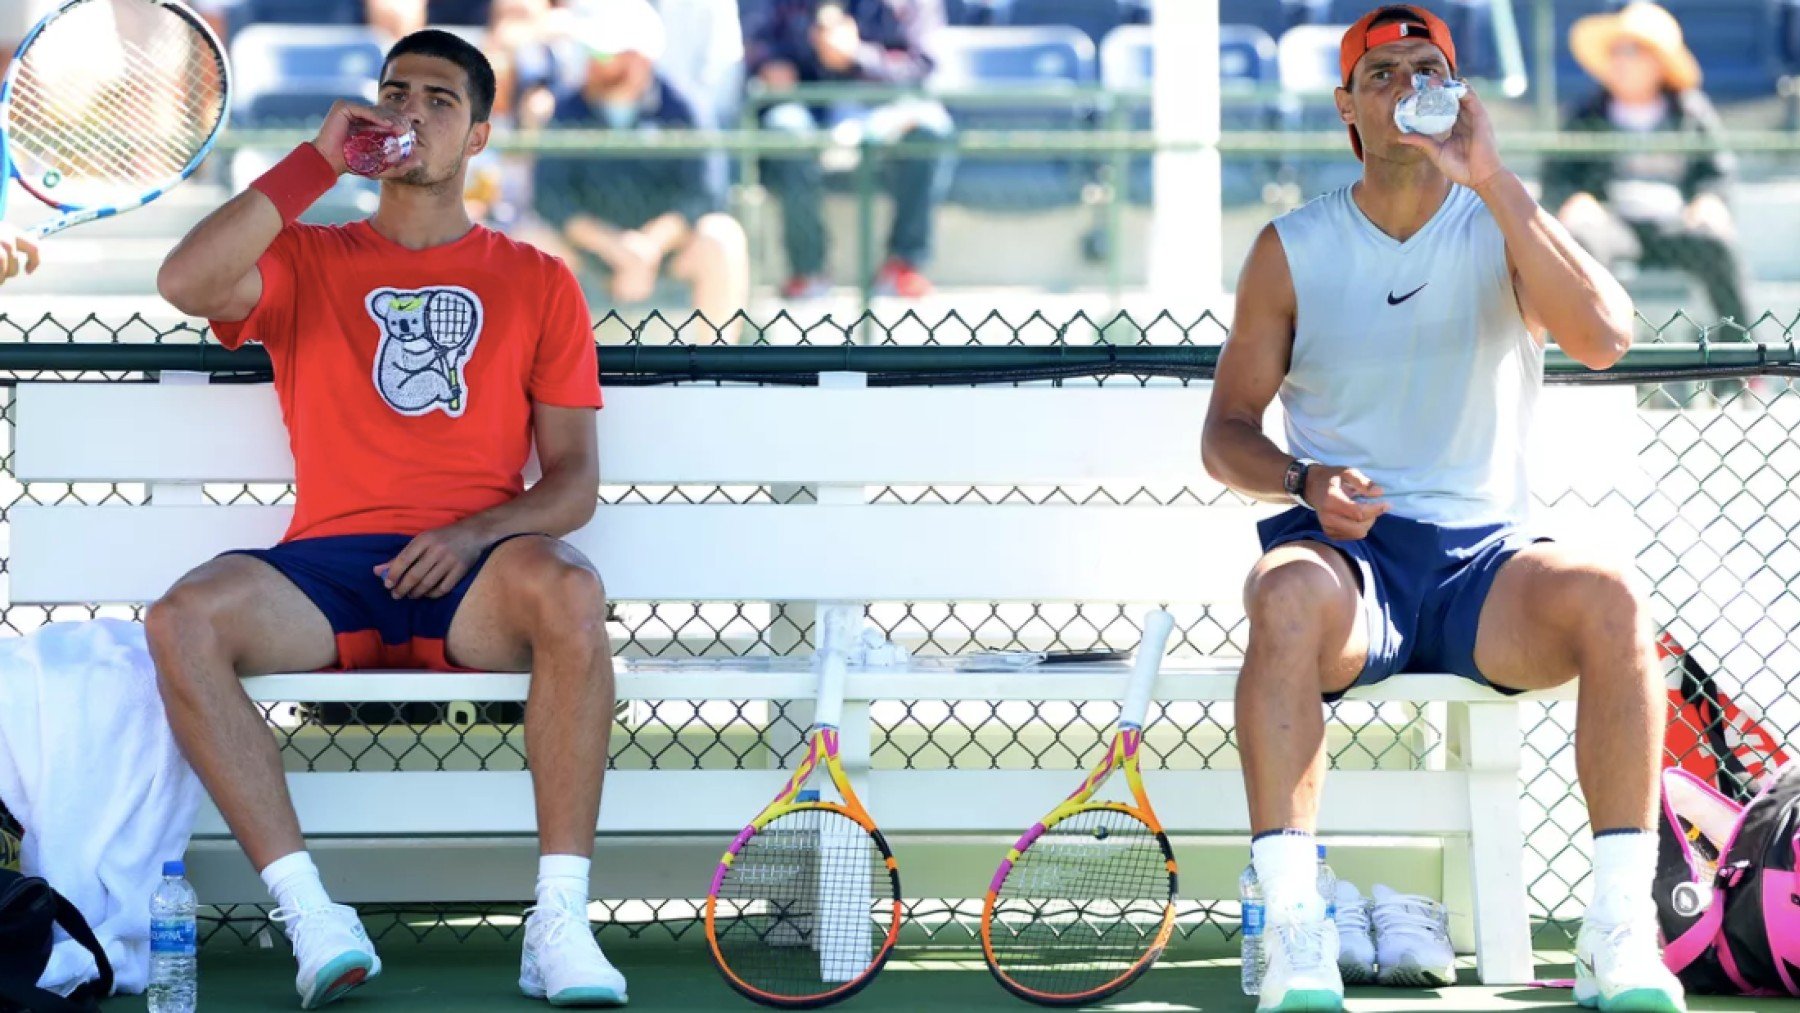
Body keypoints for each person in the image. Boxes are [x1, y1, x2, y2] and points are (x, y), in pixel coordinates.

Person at [1200, 7, 1685, 1013]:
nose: (1406, 87)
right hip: (1352, 562)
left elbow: (1604, 338)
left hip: (1485, 567)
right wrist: (1302, 481)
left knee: (1613, 600)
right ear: (1347, 105)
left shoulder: (1501, 217)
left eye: (1428, 69)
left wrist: (1495, 180)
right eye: (1381, 73)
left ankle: (1618, 933)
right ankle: (1297, 931)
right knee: (1281, 588)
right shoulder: (1291, 246)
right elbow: (1227, 431)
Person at [151, 29, 627, 1009]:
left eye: (440, 99)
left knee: (573, 589)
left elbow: (573, 480)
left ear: (482, 134)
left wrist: (473, 531)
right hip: (328, 567)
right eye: (393, 91)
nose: (410, 111)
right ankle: (310, 912)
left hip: (472, 576)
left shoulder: (537, 279)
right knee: (181, 617)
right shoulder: (306, 256)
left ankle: (560, 921)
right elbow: (186, 284)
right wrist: (315, 160)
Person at [529, 2, 749, 339]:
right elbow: (550, 197)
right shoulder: (567, 107)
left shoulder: (685, 108)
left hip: (667, 255)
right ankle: (539, 380)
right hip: (591, 253)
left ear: (638, 59)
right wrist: (615, 247)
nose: (591, 62)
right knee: (532, 243)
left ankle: (715, 371)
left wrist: (647, 248)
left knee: (722, 237)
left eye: (603, 55)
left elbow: (705, 194)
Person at [1545, 3, 1751, 337]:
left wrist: (1710, 200)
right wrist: (1576, 200)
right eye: (1616, 51)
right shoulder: (1586, 114)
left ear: (1658, 61)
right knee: (1580, 241)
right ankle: (1586, 350)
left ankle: (1738, 360)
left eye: (1632, 50)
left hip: (1675, 224)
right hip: (1611, 222)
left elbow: (1717, 171)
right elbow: (1558, 176)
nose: (1620, 59)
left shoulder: (1691, 113)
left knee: (1717, 243)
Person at [747, 0, 952, 298]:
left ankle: (903, 265)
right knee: (785, 125)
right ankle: (808, 270)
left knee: (930, 128)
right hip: (811, 103)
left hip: (887, 105)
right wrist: (770, 65)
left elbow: (923, 64)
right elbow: (757, 41)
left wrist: (857, 55)